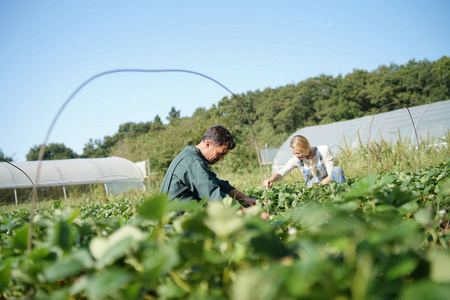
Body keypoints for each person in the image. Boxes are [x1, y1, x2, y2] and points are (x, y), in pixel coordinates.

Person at [160, 125, 257, 206]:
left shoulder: (192, 156)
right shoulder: (192, 162)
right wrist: (245, 213)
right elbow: (214, 196)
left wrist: (245, 198)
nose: (221, 159)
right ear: (208, 144)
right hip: (173, 223)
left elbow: (219, 184)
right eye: (220, 154)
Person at [263, 135, 345, 188]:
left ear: (305, 148)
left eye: (298, 153)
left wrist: (318, 186)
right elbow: (282, 172)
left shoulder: (323, 150)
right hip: (313, 193)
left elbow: (331, 175)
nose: (296, 156)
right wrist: (271, 179)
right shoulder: (296, 160)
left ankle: (343, 199)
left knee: (337, 170)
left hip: (328, 187)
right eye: (294, 153)